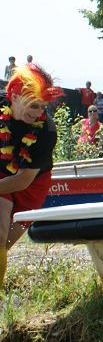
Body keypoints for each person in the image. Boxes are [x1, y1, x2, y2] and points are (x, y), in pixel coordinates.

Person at [0, 64, 63, 285]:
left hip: (31, 184)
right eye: (34, 106)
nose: (39, 113)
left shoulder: (46, 132)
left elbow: (23, 180)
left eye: (43, 107)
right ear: (14, 96)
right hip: (2, 170)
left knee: (4, 244)